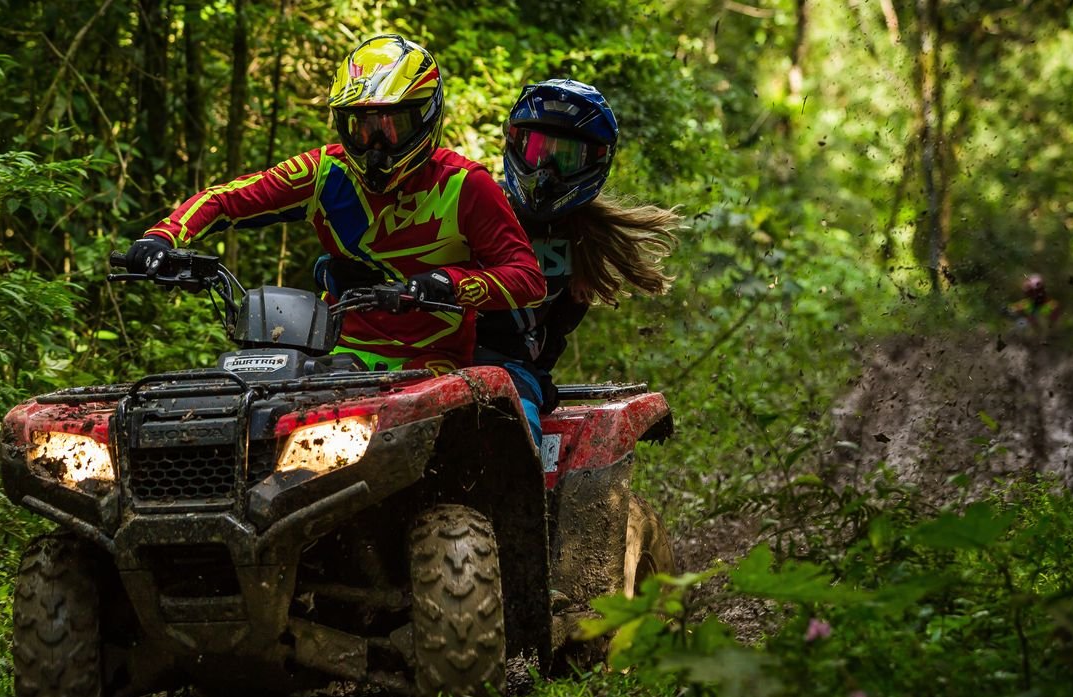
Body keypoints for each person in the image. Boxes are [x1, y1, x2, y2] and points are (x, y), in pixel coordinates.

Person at [126, 34, 545, 373]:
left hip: (432, 364)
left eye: (392, 127)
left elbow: (528, 279)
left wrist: (450, 284)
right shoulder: (324, 171)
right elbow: (225, 199)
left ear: (425, 118)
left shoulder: (465, 185)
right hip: (334, 353)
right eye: (361, 128)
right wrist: (161, 238)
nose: (376, 146)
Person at [476, 79, 681, 446]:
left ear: (595, 161)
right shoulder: (475, 206)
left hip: (510, 373)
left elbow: (557, 329)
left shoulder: (586, 239)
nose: (547, 170)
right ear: (515, 142)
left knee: (516, 444)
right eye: (539, 151)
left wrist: (536, 370)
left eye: (565, 157)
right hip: (435, 357)